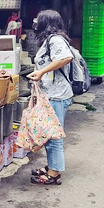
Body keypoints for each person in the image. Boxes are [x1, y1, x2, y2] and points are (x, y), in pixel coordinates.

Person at [26, 10, 74, 186]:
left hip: (57, 96)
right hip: (52, 94)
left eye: (37, 20)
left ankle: (54, 174)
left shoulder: (55, 39)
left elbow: (66, 58)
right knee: (49, 134)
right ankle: (51, 167)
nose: (35, 23)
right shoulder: (51, 39)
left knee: (53, 136)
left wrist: (41, 72)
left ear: (45, 23)